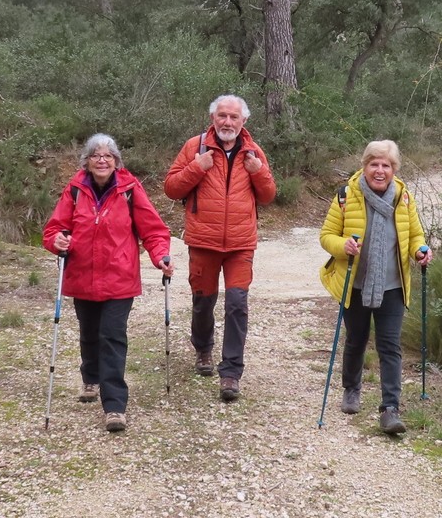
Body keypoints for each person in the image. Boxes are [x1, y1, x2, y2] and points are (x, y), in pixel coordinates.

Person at [43, 133, 173, 433]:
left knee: (111, 337)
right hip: (82, 277)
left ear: (116, 161)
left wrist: (161, 256)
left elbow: (153, 229)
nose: (102, 160)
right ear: (86, 162)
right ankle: (91, 376)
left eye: (108, 155)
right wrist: (58, 241)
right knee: (89, 334)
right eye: (96, 155)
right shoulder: (75, 190)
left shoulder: (129, 190)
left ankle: (115, 406)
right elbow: (54, 230)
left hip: (119, 278)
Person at [164, 95, 276, 401]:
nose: (227, 122)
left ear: (244, 121)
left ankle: (230, 373)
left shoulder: (253, 152)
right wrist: (196, 168)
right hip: (203, 241)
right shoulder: (194, 147)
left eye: (234, 117)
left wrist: (258, 171)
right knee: (203, 302)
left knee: (237, 304)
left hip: (241, 243)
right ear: (213, 118)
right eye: (222, 116)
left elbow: (267, 196)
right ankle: (203, 349)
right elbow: (172, 188)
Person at [319, 140, 431, 435]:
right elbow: (326, 235)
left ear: (394, 169)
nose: (379, 171)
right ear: (364, 166)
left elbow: (416, 234)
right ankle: (351, 389)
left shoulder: (403, 198)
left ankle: (390, 408)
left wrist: (420, 250)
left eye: (386, 165)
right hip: (355, 283)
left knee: (389, 346)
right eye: (374, 164)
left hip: (393, 286)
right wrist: (342, 246)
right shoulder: (347, 195)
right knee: (356, 338)